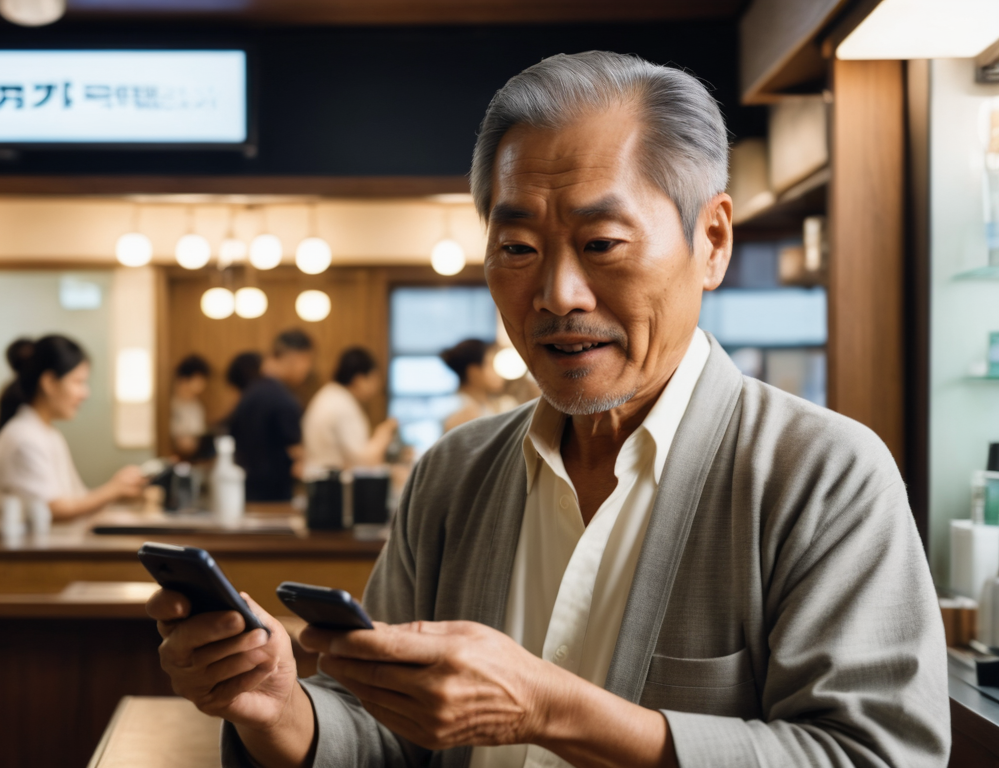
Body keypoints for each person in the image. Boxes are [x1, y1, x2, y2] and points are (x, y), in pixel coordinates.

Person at [147, 51, 948, 768]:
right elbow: (380, 727)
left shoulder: (824, 473)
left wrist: (552, 711)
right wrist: (280, 707)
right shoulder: (455, 474)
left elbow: (875, 754)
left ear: (713, 240)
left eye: (602, 244)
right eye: (518, 249)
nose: (558, 294)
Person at [0, 335, 146, 521]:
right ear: (49, 382)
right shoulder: (24, 438)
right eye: (78, 382)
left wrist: (121, 491)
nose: (85, 393)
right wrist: (113, 490)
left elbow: (76, 500)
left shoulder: (47, 434)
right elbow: (54, 509)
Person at [226, 330, 314, 502]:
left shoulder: (251, 393)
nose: (308, 368)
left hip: (245, 495)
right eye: (308, 360)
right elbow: (296, 454)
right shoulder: (283, 400)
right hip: (274, 499)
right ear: (295, 358)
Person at [301, 347, 398, 471]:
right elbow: (364, 461)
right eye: (374, 379)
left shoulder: (331, 395)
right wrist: (383, 434)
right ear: (359, 379)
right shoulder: (341, 403)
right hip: (330, 484)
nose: (377, 387)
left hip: (322, 479)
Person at [441, 338, 510, 432]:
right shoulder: (462, 413)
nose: (499, 371)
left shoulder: (485, 405)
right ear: (474, 372)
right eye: (490, 364)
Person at [171, 354, 211, 459]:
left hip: (195, 457)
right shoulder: (172, 405)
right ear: (185, 379)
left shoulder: (197, 405)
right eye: (200, 379)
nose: (203, 384)